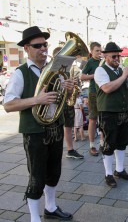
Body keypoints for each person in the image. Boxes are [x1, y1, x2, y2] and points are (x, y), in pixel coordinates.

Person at [3, 26, 73, 221]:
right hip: (34, 132)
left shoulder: (55, 69)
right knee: (36, 176)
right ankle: (35, 217)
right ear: (27, 48)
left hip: (55, 128)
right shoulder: (20, 73)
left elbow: (63, 100)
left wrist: (67, 89)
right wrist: (36, 100)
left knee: (54, 172)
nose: (43, 48)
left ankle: (50, 207)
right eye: (38, 46)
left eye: (45, 44)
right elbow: (8, 105)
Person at [94, 42, 128, 187]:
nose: (117, 58)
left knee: (122, 142)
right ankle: (108, 173)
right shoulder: (101, 71)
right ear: (105, 56)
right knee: (109, 144)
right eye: (113, 56)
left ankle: (119, 169)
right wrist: (124, 75)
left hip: (124, 111)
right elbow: (107, 88)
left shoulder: (120, 71)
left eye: (118, 55)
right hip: (108, 113)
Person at [52, 46, 84, 160]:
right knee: (62, 127)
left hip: (67, 102)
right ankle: (66, 149)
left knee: (69, 125)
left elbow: (70, 90)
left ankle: (70, 149)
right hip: (58, 104)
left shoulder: (67, 70)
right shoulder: (52, 71)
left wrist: (74, 86)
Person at [81, 42, 103, 156]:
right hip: (94, 93)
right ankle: (92, 145)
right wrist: (95, 75)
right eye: (97, 51)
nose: (99, 53)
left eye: (100, 50)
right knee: (93, 119)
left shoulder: (102, 61)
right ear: (91, 52)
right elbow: (82, 76)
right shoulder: (90, 62)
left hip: (103, 93)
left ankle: (103, 144)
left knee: (103, 119)